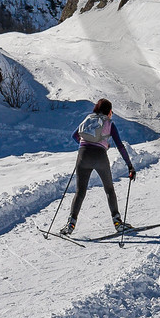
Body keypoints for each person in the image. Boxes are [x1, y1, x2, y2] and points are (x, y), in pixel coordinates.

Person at [61, 98, 135, 235]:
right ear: (109, 111)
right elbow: (120, 146)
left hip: (83, 156)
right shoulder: (109, 123)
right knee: (109, 189)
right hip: (100, 156)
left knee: (80, 192)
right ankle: (118, 223)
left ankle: (70, 224)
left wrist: (85, 144)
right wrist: (130, 166)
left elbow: (74, 135)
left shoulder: (88, 119)